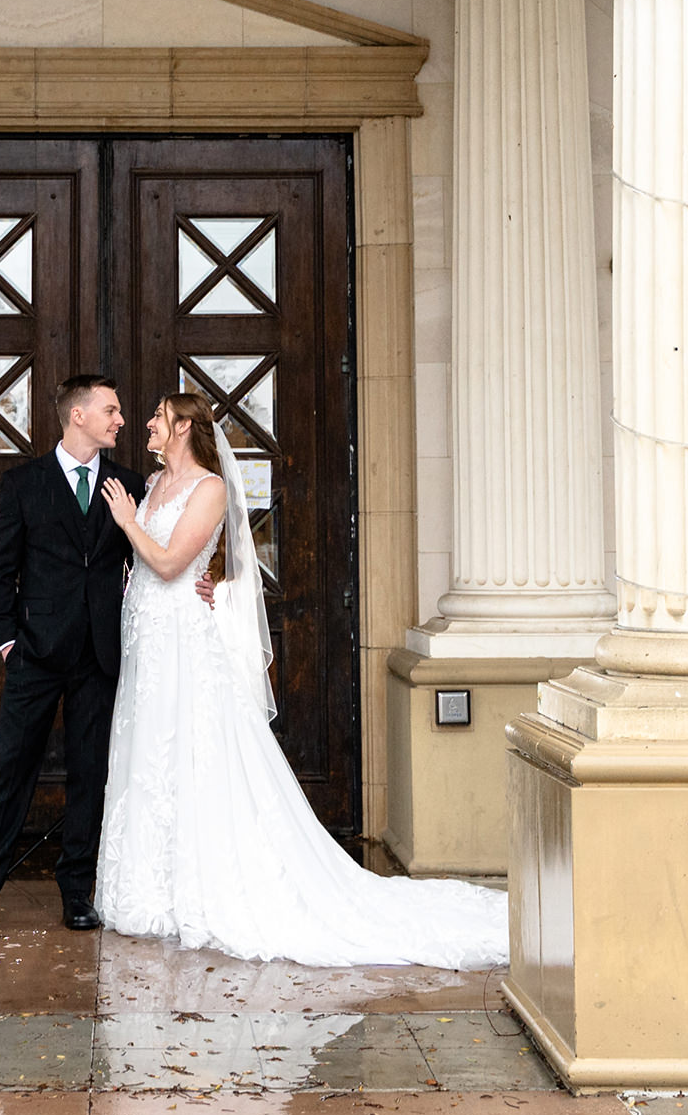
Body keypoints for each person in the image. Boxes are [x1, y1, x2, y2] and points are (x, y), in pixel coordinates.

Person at [92, 391, 508, 968]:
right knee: (151, 755)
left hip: (184, 645)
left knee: (192, 754)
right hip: (149, 642)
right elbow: (170, 565)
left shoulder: (208, 488)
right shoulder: (156, 484)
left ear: (184, 427)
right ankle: (149, 891)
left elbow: (168, 562)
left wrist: (130, 525)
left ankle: (208, 888)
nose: (146, 424)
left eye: (158, 417)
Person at [0, 375, 144, 935]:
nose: (120, 419)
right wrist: (8, 641)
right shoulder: (23, 482)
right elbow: (1, 568)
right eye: (110, 410)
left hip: (100, 654)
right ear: (78, 415)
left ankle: (77, 891)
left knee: (88, 774)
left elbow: (151, 559)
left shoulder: (128, 484)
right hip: (35, 654)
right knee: (13, 772)